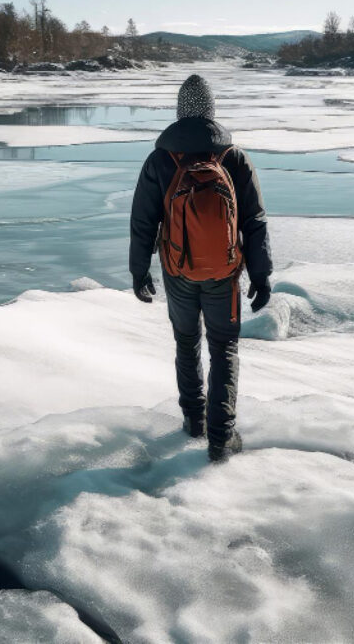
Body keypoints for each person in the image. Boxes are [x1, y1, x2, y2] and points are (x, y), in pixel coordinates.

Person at [129, 73, 272, 462]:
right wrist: (261, 275)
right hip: (224, 274)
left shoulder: (161, 158)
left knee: (186, 342)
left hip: (177, 271)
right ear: (212, 111)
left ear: (179, 110)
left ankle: (194, 421)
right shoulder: (234, 157)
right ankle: (222, 437)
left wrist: (139, 272)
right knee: (224, 348)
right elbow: (253, 221)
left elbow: (143, 221)